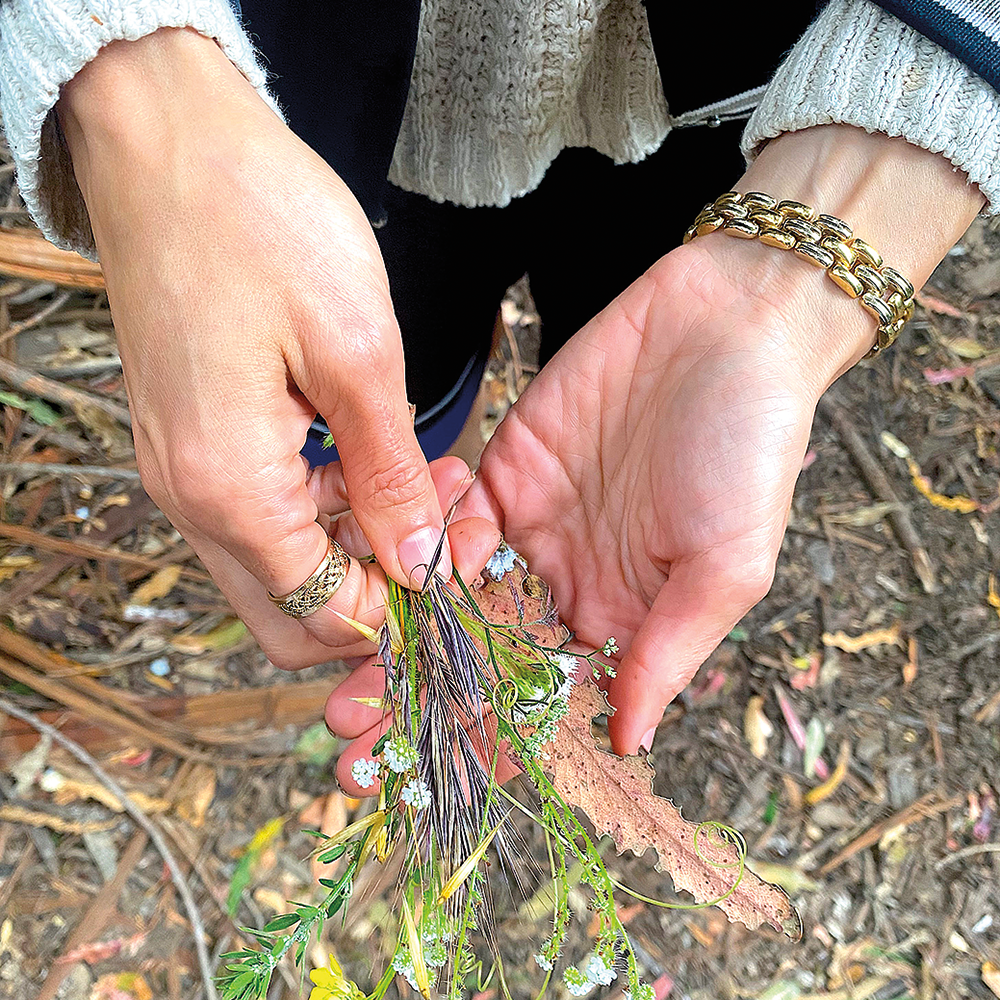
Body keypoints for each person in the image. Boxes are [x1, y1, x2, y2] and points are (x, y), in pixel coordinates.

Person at [0, 2, 993, 790]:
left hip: (737, 83)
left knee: (621, 379)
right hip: (297, 99)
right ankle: (425, 498)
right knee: (384, 400)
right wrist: (131, 81)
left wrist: (802, 268)